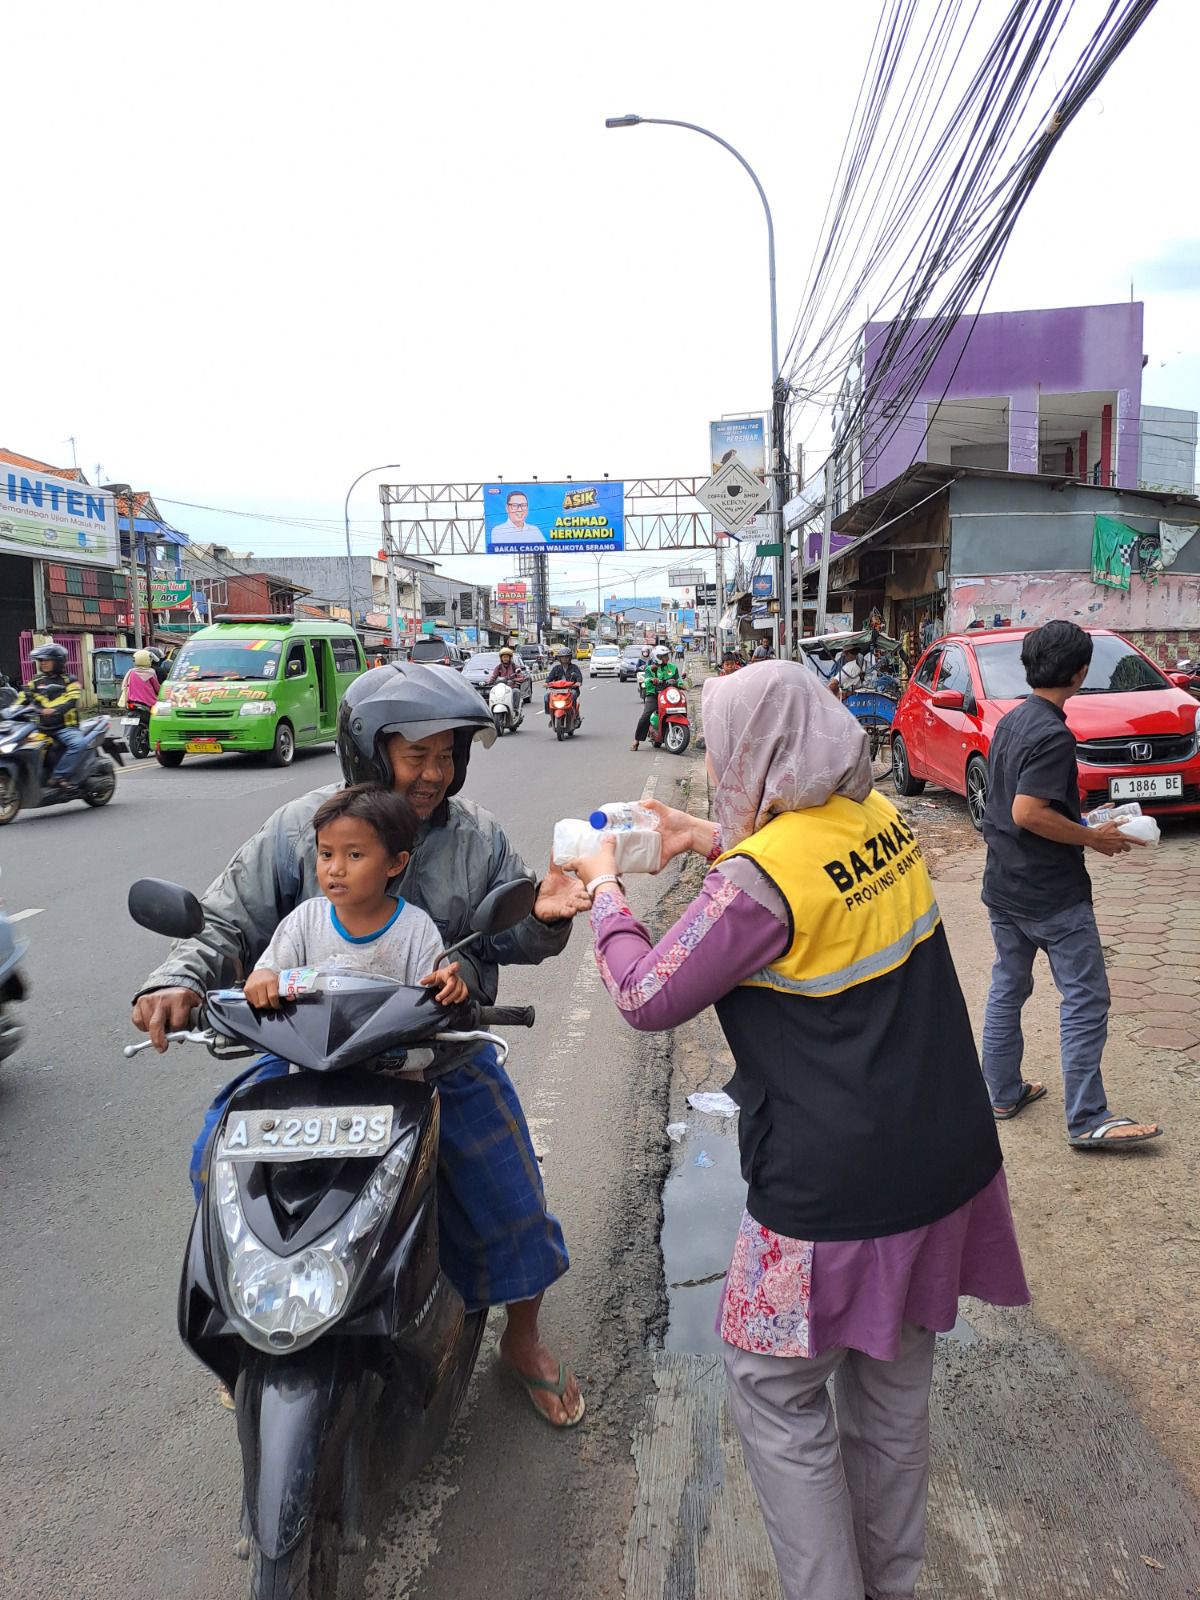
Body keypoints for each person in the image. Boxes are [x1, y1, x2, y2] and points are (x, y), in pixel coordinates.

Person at [570, 661, 1028, 1600]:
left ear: (752, 751)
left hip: (832, 1189)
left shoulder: (756, 882)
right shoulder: (878, 821)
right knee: (892, 1390)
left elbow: (647, 995)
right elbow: (808, 883)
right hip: (946, 1161)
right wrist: (702, 835)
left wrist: (603, 888)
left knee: (774, 1388)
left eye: (719, 743)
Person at [131, 664, 590, 1426]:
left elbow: (509, 931)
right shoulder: (301, 829)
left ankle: (523, 1338)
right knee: (215, 1162)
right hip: (305, 1052)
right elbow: (226, 921)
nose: (435, 774)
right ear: (371, 752)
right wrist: (176, 980)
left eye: (447, 756)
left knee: (509, 1191)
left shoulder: (474, 836)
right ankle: (251, 1328)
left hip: (436, 1053)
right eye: (417, 755)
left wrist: (544, 917)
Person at [980, 620, 1162, 1148]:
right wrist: (1091, 837)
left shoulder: (1012, 720)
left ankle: (1001, 1092)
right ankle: (1087, 1118)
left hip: (1004, 884)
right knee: (1085, 998)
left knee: (1008, 986)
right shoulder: (1054, 734)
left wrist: (1086, 819)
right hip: (1050, 894)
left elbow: (1017, 804)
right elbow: (1027, 811)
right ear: (1081, 673)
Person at [243, 784, 468, 1011]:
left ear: (395, 863)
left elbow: (433, 991)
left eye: (354, 855)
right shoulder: (305, 919)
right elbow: (268, 972)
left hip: (389, 1034)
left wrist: (445, 986)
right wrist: (262, 978)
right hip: (310, 1033)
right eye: (326, 854)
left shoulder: (416, 929)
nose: (335, 869)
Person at [17, 642, 88, 788]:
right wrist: (9, 710)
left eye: (47, 660)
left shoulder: (70, 680)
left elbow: (71, 700)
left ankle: (59, 775)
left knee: (78, 744)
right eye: (41, 660)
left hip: (66, 727)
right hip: (42, 728)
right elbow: (22, 698)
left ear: (58, 661)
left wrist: (54, 710)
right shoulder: (35, 681)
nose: (43, 663)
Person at [631, 645, 681, 751]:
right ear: (657, 657)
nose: (666, 658)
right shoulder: (650, 668)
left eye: (667, 655)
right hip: (654, 694)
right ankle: (636, 740)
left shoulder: (673, 667)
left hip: (669, 694)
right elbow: (646, 680)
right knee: (646, 716)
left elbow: (678, 679)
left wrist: (682, 684)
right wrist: (652, 680)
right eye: (663, 656)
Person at [118, 649, 161, 714]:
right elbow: (157, 687)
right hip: (148, 702)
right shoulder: (151, 672)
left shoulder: (131, 672)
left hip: (132, 701)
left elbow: (125, 686)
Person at [545, 645, 582, 719]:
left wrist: (578, 682)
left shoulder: (574, 667)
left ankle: (574, 714)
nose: (564, 659)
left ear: (569, 657)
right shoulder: (556, 668)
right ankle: (551, 714)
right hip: (557, 690)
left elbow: (579, 677)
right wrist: (546, 683)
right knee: (546, 696)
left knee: (573, 695)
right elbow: (550, 677)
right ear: (559, 658)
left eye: (566, 657)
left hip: (571, 689)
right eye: (562, 657)